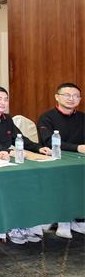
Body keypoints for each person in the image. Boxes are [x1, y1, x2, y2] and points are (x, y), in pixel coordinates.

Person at [0, 86, 53, 244]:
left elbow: (20, 138)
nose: (3, 102)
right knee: (10, 185)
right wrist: (2, 152)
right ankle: (9, 226)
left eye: (5, 99)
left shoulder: (7, 119)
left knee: (28, 180)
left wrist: (38, 148)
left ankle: (26, 222)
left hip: (6, 160)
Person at [37, 82, 85, 239]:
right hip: (54, 161)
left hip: (79, 160)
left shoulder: (82, 117)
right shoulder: (46, 118)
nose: (71, 99)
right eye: (67, 95)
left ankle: (79, 218)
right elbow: (48, 141)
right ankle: (62, 219)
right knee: (66, 177)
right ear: (57, 97)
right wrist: (77, 148)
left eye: (75, 96)